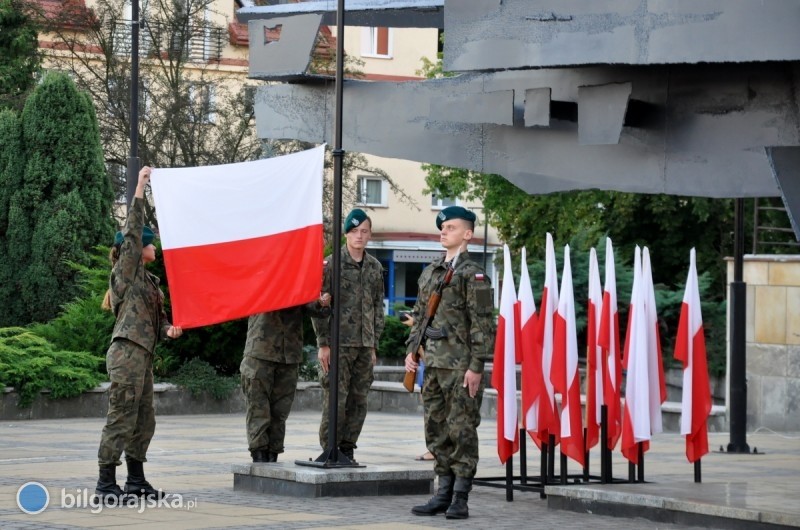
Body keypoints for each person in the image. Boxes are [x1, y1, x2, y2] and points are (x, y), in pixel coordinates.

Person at [96, 166, 183, 503]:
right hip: (126, 353)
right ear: (139, 249)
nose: (155, 248)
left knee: (144, 419)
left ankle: (135, 481)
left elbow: (157, 321)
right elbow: (131, 234)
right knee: (121, 415)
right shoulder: (126, 273)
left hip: (143, 355)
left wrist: (169, 329)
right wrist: (139, 190)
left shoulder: (149, 283)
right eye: (152, 243)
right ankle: (105, 483)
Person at [405, 206, 495, 520]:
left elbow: (484, 323)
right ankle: (442, 492)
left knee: (462, 430)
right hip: (432, 365)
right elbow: (419, 316)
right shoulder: (431, 271)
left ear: (468, 234)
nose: (444, 231)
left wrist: (476, 366)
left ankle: (460, 496)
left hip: (460, 368)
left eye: (452, 227)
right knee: (436, 430)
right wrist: (412, 350)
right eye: (443, 227)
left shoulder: (475, 274)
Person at [312, 208, 385, 463]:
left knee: (358, 399)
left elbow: (378, 307)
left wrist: (374, 343)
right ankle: (330, 447)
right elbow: (319, 307)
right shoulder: (331, 264)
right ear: (346, 234)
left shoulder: (375, 267)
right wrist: (323, 344)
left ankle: (348, 448)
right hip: (338, 344)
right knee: (335, 397)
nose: (359, 236)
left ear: (370, 234)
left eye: (364, 231)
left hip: (364, 346)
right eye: (354, 231)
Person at [241, 295, 330, 463]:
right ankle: (259, 456)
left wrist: (320, 303)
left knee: (280, 411)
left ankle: (273, 455)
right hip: (260, 352)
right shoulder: (260, 271)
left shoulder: (296, 278)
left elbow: (313, 309)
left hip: (289, 354)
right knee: (258, 408)